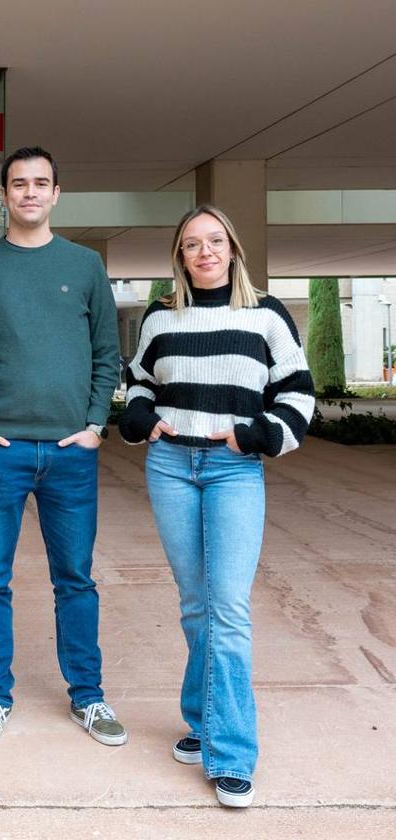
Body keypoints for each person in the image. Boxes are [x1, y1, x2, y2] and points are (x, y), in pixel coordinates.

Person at [120, 205, 314, 808]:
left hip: (233, 469)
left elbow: (297, 393)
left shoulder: (266, 314)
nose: (205, 252)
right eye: (191, 244)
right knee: (196, 605)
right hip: (172, 466)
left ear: (232, 249)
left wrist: (253, 435)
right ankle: (202, 723)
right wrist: (143, 420)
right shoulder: (161, 316)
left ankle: (229, 753)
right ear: (180, 256)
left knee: (227, 607)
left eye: (215, 241)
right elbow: (138, 385)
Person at [0, 146, 125, 748]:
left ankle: (89, 696)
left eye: (41, 183)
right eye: (18, 184)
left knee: (75, 579)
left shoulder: (84, 266)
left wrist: (95, 424)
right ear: (4, 195)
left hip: (71, 453)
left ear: (56, 194)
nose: (30, 192)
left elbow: (108, 353)